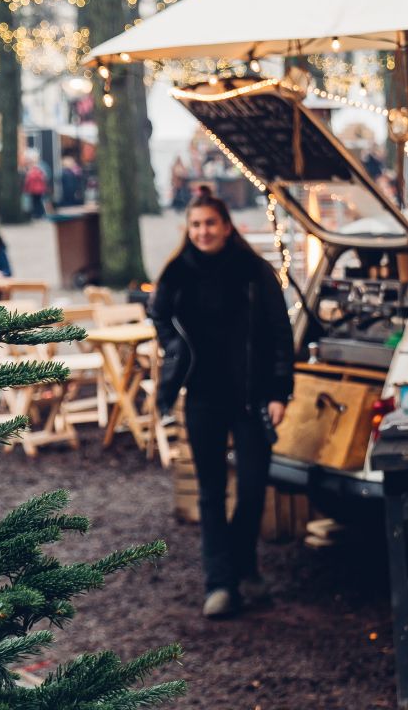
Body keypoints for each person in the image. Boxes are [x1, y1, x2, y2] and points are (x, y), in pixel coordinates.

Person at [151, 193, 294, 619]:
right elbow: (159, 317)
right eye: (196, 225)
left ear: (227, 226)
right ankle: (221, 583)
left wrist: (279, 392)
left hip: (251, 398)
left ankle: (244, 565)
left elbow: (280, 334)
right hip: (203, 397)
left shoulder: (255, 272)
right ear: (188, 229)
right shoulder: (176, 274)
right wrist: (175, 349)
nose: (203, 232)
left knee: (252, 488)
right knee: (211, 493)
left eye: (210, 223)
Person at [23, 151, 49, 220]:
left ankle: (39, 214)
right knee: (36, 202)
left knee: (38, 202)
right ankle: (38, 214)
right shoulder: (32, 168)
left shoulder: (39, 168)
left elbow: (29, 180)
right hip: (36, 189)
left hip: (36, 189)